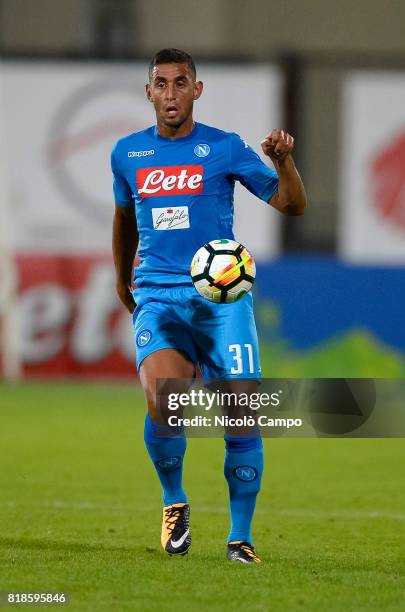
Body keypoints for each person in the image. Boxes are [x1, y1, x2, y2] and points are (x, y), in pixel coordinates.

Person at [111, 48, 306, 563]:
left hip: (221, 299)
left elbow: (292, 205)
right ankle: (175, 500)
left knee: (241, 415)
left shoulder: (223, 148)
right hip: (158, 295)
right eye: (161, 84)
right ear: (148, 91)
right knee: (165, 403)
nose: (170, 94)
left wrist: (283, 162)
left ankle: (240, 539)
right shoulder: (128, 154)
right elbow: (124, 219)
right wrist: (120, 278)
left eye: (181, 84)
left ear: (197, 90)